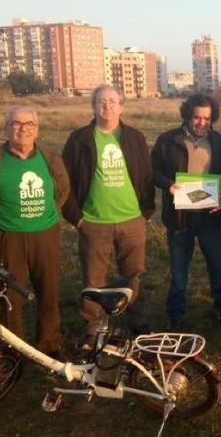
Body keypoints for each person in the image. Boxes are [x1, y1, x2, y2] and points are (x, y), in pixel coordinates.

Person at [62, 85, 155, 350]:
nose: (107, 106)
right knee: (94, 280)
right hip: (93, 222)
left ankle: (138, 324)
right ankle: (93, 329)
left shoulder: (135, 137)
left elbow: (146, 176)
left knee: (134, 274)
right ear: (93, 106)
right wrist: (76, 217)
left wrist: (145, 213)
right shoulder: (79, 139)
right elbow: (65, 182)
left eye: (113, 101)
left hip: (132, 220)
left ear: (122, 107)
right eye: (101, 101)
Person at [0, 107, 70, 359]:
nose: (23, 128)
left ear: (37, 129)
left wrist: (46, 215)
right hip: (8, 235)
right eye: (16, 123)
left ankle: (49, 345)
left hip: (45, 233)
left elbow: (62, 191)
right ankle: (12, 350)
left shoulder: (50, 157)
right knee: (9, 294)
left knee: (48, 289)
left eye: (29, 123)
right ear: (7, 128)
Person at [151, 93, 221, 330]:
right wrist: (168, 184)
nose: (201, 123)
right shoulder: (168, 141)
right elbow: (153, 171)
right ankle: (175, 313)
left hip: (211, 215)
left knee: (218, 265)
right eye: (197, 117)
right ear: (188, 115)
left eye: (207, 118)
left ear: (212, 118)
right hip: (180, 216)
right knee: (178, 269)